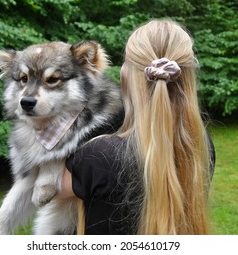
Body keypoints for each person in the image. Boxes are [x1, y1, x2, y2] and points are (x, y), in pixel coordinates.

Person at [57, 19, 215, 235]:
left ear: (128, 75)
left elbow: (46, 191)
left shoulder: (97, 156)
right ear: (187, 77)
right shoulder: (201, 145)